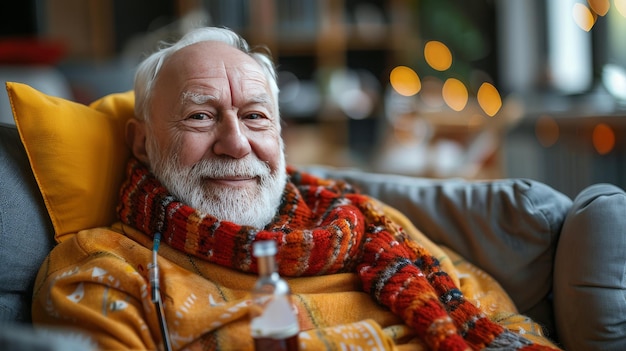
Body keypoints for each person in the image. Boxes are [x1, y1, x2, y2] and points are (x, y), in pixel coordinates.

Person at [31, 26, 561, 351]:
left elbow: (500, 320)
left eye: (256, 116)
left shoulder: (361, 218)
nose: (235, 143)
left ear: (280, 134)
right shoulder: (103, 270)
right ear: (141, 144)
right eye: (199, 115)